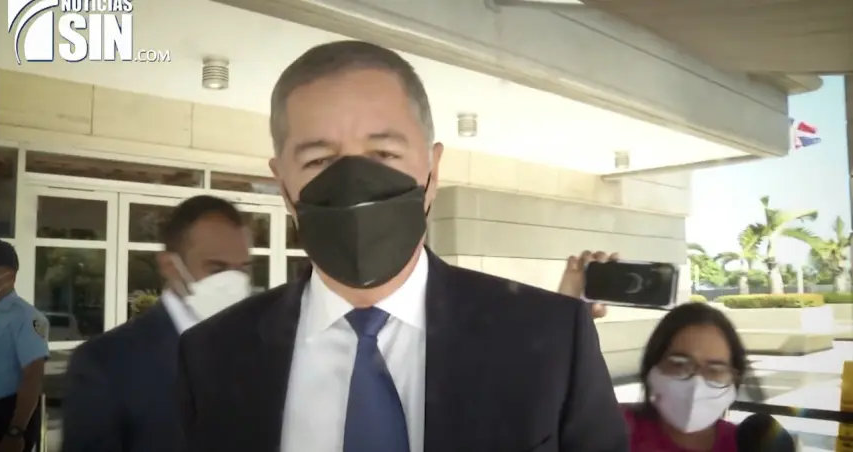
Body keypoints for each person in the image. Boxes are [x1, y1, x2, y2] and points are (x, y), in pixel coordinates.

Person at [176, 40, 628, 452]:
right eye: (319, 160)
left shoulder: (553, 340)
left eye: (385, 155)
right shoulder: (211, 356)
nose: (353, 181)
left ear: (433, 170)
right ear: (282, 185)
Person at [61, 196, 253, 452]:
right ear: (170, 266)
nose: (234, 282)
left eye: (243, 269)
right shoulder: (104, 363)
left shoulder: (265, 347)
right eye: (217, 269)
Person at [623, 302, 745, 452]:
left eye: (715, 370)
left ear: (735, 379)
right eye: (679, 365)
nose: (696, 385)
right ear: (652, 368)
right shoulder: (614, 428)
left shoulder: (748, 444)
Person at [0, 240, 48, 452]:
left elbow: (33, 377)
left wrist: (15, 432)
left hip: (5, 416)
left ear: (11, 276)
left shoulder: (27, 318)